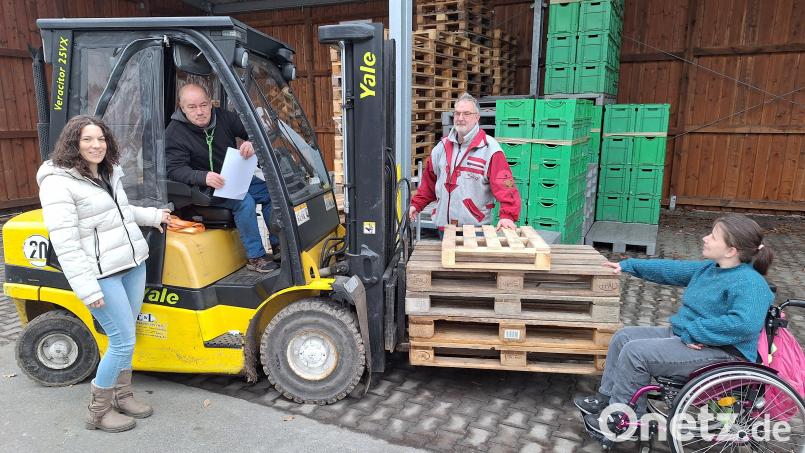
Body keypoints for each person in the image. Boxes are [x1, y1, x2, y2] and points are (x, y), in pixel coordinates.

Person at [575, 214, 775, 435]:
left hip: (722, 352)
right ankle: (607, 399)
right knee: (624, 337)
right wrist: (627, 265)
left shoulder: (750, 283)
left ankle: (623, 419)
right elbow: (670, 270)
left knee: (636, 353)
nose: (705, 238)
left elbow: (744, 324)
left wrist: (696, 332)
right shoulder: (711, 269)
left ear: (731, 250)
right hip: (691, 338)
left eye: (713, 236)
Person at [37, 115, 172, 433]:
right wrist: (87, 288)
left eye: (100, 139)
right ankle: (98, 412)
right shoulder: (59, 183)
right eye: (87, 139)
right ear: (73, 143)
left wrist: (153, 215)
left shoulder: (109, 172)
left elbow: (121, 212)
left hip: (131, 266)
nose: (96, 145)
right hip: (101, 276)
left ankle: (123, 396)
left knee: (128, 335)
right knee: (122, 341)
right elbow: (65, 243)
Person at [165, 83, 279, 272]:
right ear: (182, 108)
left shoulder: (225, 118)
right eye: (192, 107)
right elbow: (175, 169)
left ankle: (278, 246)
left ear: (211, 103)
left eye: (203, 105)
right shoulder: (175, 133)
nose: (200, 112)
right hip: (202, 188)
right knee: (245, 202)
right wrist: (202, 177)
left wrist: (253, 142)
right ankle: (256, 256)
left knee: (271, 193)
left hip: (233, 177)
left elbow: (258, 130)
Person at [408, 92, 521, 233]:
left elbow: (506, 186)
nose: (460, 118)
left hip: (475, 230)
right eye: (457, 113)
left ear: (477, 117)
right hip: (444, 228)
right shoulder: (441, 148)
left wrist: (507, 216)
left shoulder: (490, 149)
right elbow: (429, 183)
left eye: (466, 113)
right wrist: (416, 205)